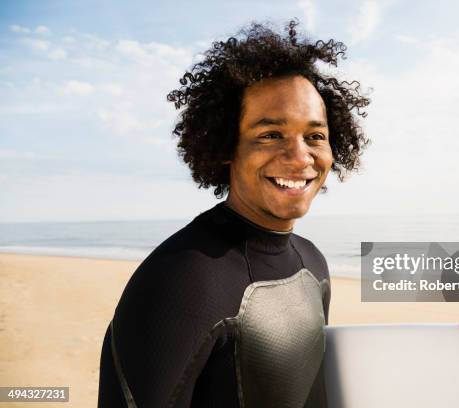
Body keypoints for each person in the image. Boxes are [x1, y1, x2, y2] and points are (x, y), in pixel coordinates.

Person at [97, 19, 369, 407]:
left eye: (315, 136)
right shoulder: (181, 280)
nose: (299, 156)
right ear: (227, 145)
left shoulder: (314, 264)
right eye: (270, 134)